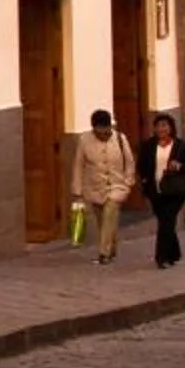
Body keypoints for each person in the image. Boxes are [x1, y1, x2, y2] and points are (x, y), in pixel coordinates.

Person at [72, 109, 134, 265]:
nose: (104, 134)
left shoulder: (120, 138)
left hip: (117, 186)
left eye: (106, 130)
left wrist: (128, 182)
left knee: (109, 214)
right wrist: (77, 190)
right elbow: (79, 165)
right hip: (94, 187)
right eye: (100, 131)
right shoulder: (84, 140)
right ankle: (112, 249)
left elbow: (129, 161)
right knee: (104, 221)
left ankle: (103, 253)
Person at [138, 112, 185, 271]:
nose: (162, 129)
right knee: (166, 222)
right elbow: (142, 165)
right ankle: (174, 253)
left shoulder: (181, 146)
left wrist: (180, 166)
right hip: (156, 190)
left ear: (171, 127)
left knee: (166, 220)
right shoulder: (148, 146)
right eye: (158, 126)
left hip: (175, 190)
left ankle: (161, 257)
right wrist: (145, 179)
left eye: (165, 125)